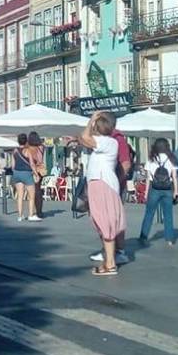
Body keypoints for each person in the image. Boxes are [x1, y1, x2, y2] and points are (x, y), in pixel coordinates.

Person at [77, 111, 125, 276]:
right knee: (103, 222)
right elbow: (83, 139)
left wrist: (91, 120)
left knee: (105, 222)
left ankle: (110, 263)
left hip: (102, 183)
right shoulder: (108, 142)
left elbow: (84, 137)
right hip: (100, 183)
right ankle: (108, 261)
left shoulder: (108, 142)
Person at [89, 126, 134, 266]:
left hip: (111, 185)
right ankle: (108, 251)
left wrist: (115, 180)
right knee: (103, 219)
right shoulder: (106, 140)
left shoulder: (117, 140)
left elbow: (126, 163)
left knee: (113, 219)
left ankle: (119, 252)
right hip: (105, 183)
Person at [138, 137, 178, 247]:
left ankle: (143, 236)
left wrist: (146, 193)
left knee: (149, 213)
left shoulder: (151, 159)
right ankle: (169, 239)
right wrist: (176, 191)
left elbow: (148, 178)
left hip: (154, 189)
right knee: (168, 214)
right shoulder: (172, 159)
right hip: (167, 189)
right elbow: (174, 177)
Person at [11, 133, 35, 222]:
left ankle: (20, 216)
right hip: (27, 173)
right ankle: (31, 215)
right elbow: (32, 163)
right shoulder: (28, 151)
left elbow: (12, 165)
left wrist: (16, 171)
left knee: (20, 196)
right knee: (31, 196)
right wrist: (35, 173)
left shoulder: (15, 151)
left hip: (17, 173)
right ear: (26, 141)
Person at [27, 131, 47, 218]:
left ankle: (35, 211)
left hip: (33, 170)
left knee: (34, 191)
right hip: (41, 170)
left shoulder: (29, 148)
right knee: (38, 189)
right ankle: (39, 210)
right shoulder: (41, 147)